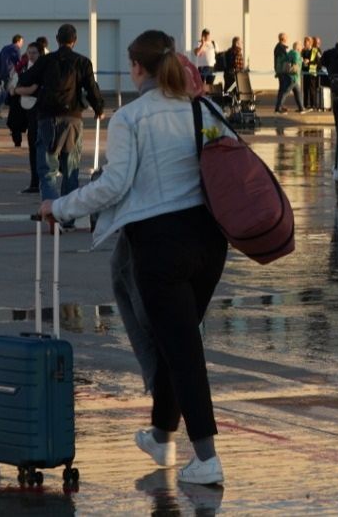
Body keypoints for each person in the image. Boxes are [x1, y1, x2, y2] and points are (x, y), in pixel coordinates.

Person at [38, 30, 228, 486]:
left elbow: (114, 184)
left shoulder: (132, 118)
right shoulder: (203, 107)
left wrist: (59, 208)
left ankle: (206, 456)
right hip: (210, 240)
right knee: (175, 341)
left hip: (161, 245)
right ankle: (162, 436)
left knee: (181, 350)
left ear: (137, 68)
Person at [15, 24, 104, 201]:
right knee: (71, 168)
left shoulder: (46, 61)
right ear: (75, 41)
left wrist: (38, 85)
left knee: (47, 168)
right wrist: (98, 109)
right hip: (72, 116)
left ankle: (51, 211)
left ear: (57, 39)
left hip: (47, 115)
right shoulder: (82, 62)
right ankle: (67, 214)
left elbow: (25, 79)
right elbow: (91, 89)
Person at [7, 40, 44, 188]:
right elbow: (12, 83)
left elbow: (33, 88)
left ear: (40, 53)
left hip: (39, 109)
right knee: (32, 144)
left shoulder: (42, 68)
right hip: (24, 108)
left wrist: (16, 90)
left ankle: (39, 181)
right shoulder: (22, 68)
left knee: (38, 145)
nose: (31, 55)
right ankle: (34, 181)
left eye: (34, 52)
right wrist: (14, 88)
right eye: (29, 52)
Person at [0, 35, 24, 119]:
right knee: (6, 92)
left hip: (2, 72)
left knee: (7, 91)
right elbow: (19, 62)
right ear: (18, 41)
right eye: (22, 42)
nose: (22, 44)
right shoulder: (16, 48)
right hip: (10, 73)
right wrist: (21, 73)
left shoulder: (5, 48)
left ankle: (4, 109)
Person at [272, 33, 302, 113]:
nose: (287, 39)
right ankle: (278, 108)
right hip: (282, 72)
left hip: (281, 72)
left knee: (286, 90)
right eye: (286, 37)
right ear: (284, 39)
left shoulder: (280, 47)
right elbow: (283, 61)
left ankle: (300, 107)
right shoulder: (280, 48)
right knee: (284, 91)